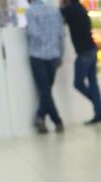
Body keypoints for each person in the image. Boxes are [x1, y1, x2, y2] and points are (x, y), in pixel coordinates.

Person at [60, 0, 101, 125]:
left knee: (78, 83)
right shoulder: (81, 8)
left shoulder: (69, 10)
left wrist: (61, 5)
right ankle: (99, 112)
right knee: (93, 83)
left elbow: (58, 15)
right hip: (91, 49)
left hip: (84, 52)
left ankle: (100, 106)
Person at [25, 0, 64, 135]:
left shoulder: (30, 11)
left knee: (45, 90)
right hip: (53, 55)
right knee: (46, 90)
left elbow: (32, 33)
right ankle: (53, 120)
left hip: (37, 55)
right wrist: (60, 53)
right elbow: (61, 34)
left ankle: (47, 118)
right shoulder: (54, 10)